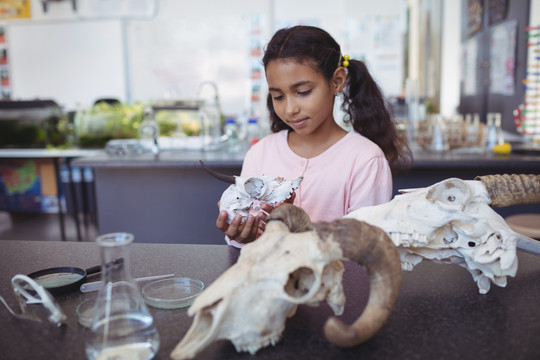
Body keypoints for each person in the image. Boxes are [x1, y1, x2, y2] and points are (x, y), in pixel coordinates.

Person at [217, 25, 411, 247]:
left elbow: (364, 250)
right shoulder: (260, 153)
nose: (290, 109)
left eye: (303, 92)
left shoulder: (365, 160)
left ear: (337, 81)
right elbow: (245, 244)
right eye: (278, 96)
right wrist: (241, 236)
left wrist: (296, 230)